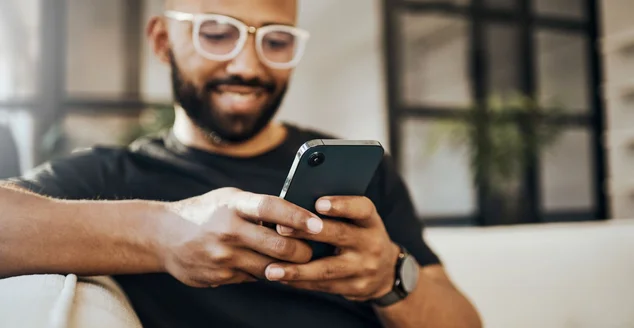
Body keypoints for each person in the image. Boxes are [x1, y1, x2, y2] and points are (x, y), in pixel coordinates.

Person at [0, 0, 482, 327]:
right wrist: (163, 232)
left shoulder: (363, 172)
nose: (248, 67)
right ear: (163, 41)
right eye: (216, 34)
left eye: (276, 42)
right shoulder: (108, 177)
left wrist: (389, 279)